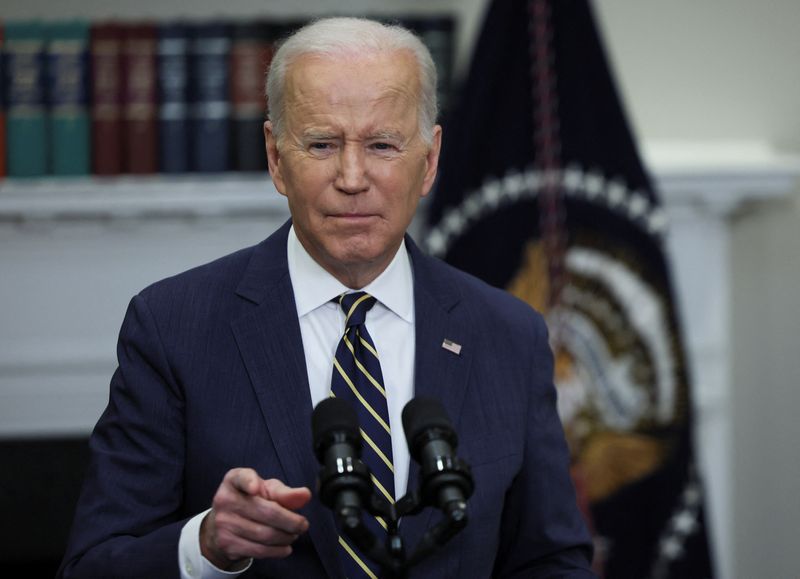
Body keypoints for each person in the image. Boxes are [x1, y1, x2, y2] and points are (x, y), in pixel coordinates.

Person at [58, 17, 594, 579]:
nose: (353, 177)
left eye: (382, 145)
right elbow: (92, 565)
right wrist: (207, 545)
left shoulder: (509, 334)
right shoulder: (173, 328)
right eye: (322, 144)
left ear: (430, 160)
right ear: (275, 157)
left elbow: (551, 560)